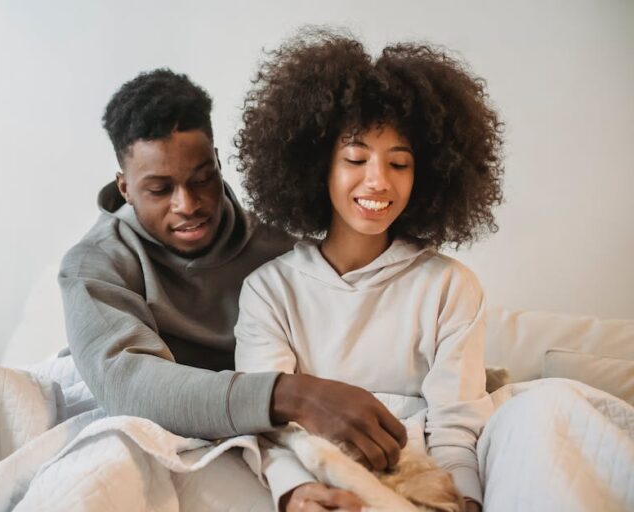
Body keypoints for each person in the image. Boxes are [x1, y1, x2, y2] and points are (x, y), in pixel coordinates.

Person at [58, 68, 409, 498]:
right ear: (124, 187)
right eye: (159, 189)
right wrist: (293, 395)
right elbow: (128, 386)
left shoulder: (281, 250)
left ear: (219, 162)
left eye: (202, 178)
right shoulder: (93, 266)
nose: (187, 205)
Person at [233, 30, 504, 512]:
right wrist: (295, 492)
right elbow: (266, 419)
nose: (377, 181)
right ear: (319, 167)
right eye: (356, 159)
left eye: (399, 163)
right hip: (320, 476)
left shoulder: (448, 287)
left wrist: (464, 499)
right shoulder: (270, 290)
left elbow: (456, 425)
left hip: (424, 478)